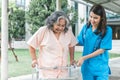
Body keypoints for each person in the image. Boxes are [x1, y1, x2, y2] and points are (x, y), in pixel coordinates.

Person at [27, 11, 77, 79]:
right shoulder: (44, 30)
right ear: (52, 23)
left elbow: (72, 45)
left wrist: (72, 59)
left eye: (63, 26)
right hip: (46, 71)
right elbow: (31, 45)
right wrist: (34, 59)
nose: (60, 28)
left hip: (62, 72)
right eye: (58, 25)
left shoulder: (68, 32)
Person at [77, 4, 112, 80]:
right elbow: (78, 41)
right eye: (91, 17)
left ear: (101, 18)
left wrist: (83, 58)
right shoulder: (86, 28)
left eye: (95, 18)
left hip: (101, 68)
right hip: (87, 68)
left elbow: (102, 50)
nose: (92, 20)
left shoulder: (107, 30)